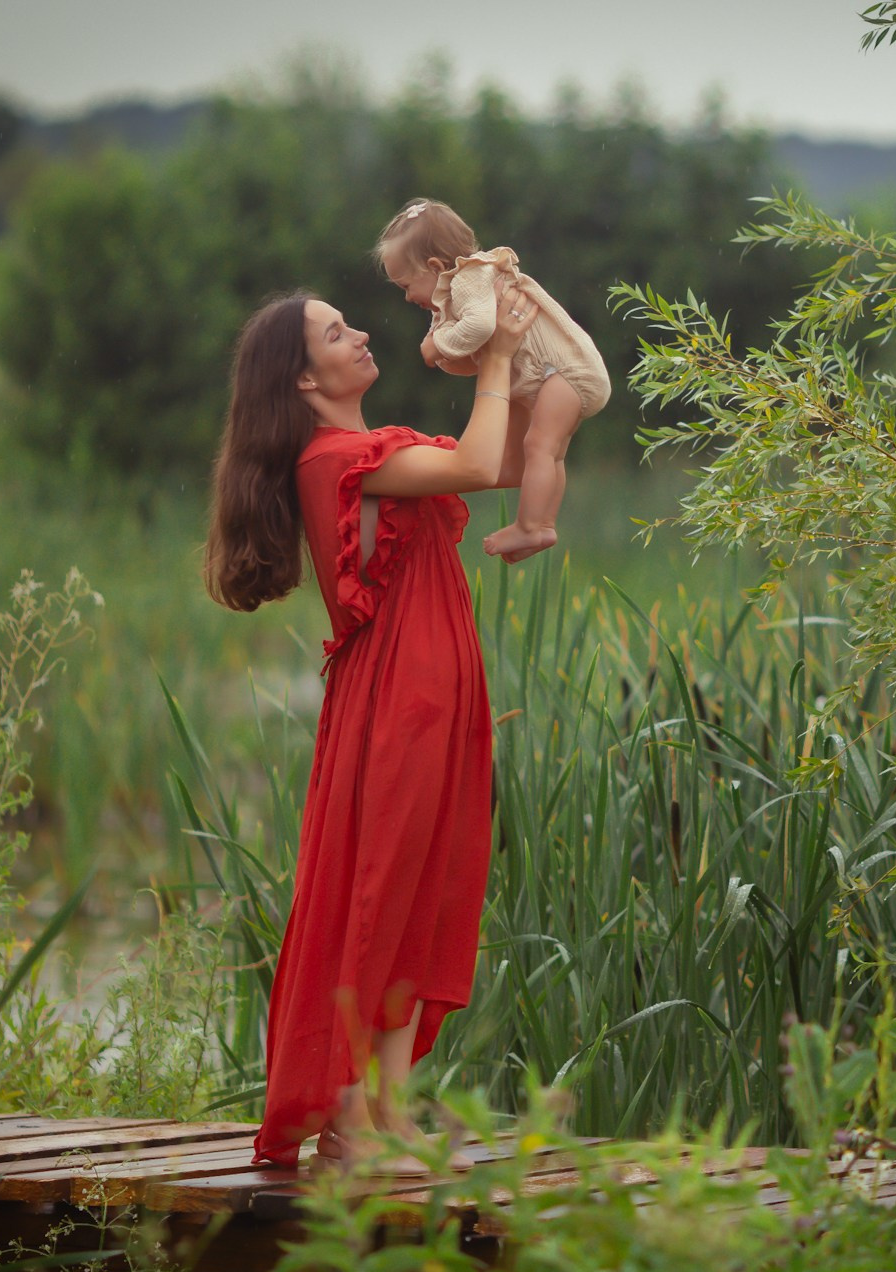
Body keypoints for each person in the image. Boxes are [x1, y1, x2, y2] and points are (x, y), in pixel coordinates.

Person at [204, 281, 541, 1175]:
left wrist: (546, 369)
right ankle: (354, 1122)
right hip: (400, 695)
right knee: (384, 890)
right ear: (304, 381)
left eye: (347, 324)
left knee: (423, 893)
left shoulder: (377, 449)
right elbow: (475, 467)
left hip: (433, 689)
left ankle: (384, 1117)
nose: (357, 334)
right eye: (333, 332)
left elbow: (502, 459)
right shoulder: (336, 460)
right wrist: (496, 360)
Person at [375, 197, 611, 563]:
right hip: (561, 376)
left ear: (435, 266)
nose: (407, 297)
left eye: (406, 285)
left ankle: (530, 525)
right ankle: (542, 525)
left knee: (539, 446)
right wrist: (443, 345)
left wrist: (436, 344)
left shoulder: (471, 279)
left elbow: (481, 328)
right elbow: (475, 354)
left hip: (567, 373)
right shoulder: (466, 289)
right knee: (551, 453)